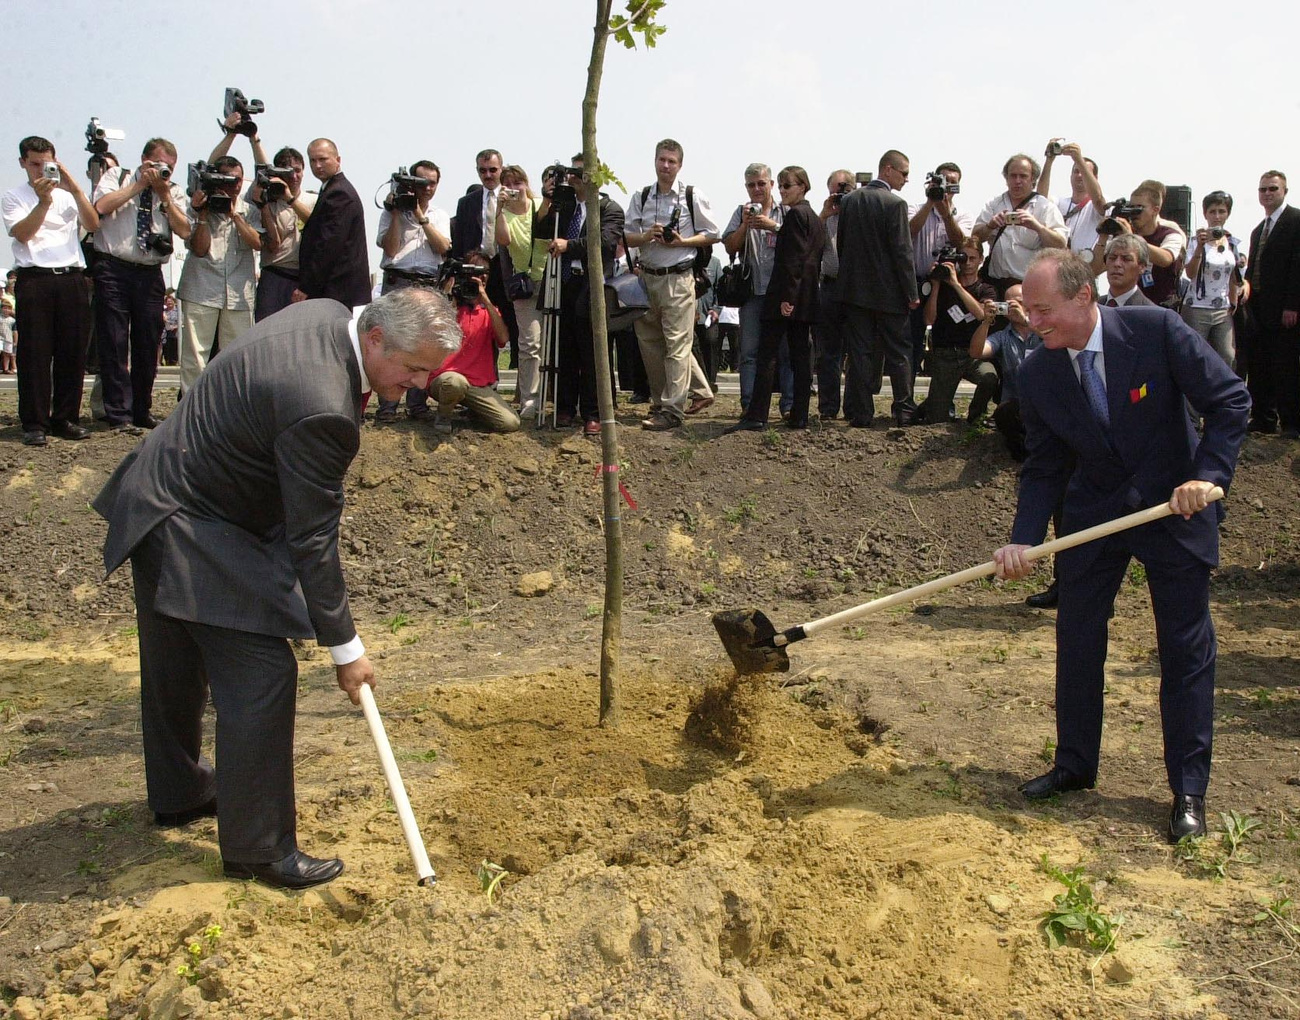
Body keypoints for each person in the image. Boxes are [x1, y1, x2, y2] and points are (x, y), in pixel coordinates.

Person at [93, 288, 462, 890]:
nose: (420, 383)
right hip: (194, 520)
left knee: (177, 659)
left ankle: (181, 791)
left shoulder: (326, 314)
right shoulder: (322, 406)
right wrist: (346, 650)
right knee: (261, 673)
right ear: (374, 338)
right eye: (414, 367)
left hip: (162, 492)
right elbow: (312, 538)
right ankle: (259, 850)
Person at [994, 249, 1249, 843]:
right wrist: (1024, 539)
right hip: (1095, 514)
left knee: (1184, 648)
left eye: (1043, 308)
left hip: (1173, 506)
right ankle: (1075, 765)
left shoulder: (1156, 331)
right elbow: (1045, 464)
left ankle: (1188, 789)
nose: (1033, 321)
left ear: (1085, 297)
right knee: (1077, 636)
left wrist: (1208, 476)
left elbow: (1230, 401)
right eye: (1027, 310)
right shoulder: (1037, 371)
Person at [2, 135, 98, 446]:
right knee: (35, 354)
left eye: (48, 164)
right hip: (35, 279)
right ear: (23, 163)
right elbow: (23, 233)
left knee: (72, 353)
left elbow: (93, 224)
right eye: (34, 164)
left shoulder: (69, 197)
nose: (41, 170)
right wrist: (43, 202)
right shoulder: (13, 197)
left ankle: (65, 417)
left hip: (71, 277)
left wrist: (75, 187)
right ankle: (35, 422)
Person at [92, 137, 191, 433]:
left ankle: (141, 410)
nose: (163, 171)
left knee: (149, 342)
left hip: (149, 273)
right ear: (143, 160)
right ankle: (118, 413)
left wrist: (164, 195)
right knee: (114, 340)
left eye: (169, 168)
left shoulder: (172, 191)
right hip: (113, 267)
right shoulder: (117, 177)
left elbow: (185, 229)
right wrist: (138, 186)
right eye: (157, 164)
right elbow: (101, 206)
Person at [623, 139, 719, 430]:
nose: (666, 166)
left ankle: (672, 411)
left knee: (677, 345)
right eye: (662, 160)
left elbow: (712, 234)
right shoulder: (641, 197)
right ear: (654, 161)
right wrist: (646, 236)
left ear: (680, 165)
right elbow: (626, 236)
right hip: (646, 277)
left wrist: (683, 241)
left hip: (678, 278)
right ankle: (662, 403)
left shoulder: (692, 195)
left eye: (672, 161)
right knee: (651, 344)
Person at [727, 166, 826, 430]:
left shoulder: (794, 216)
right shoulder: (814, 217)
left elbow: (795, 262)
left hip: (785, 296)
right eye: (781, 186)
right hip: (800, 298)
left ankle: (758, 414)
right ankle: (797, 415)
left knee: (770, 355)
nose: (782, 191)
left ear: (803, 186)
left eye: (787, 186)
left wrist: (788, 297)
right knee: (798, 356)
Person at [533, 155, 626, 435]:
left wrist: (569, 245)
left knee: (592, 352)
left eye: (579, 171)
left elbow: (605, 243)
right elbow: (540, 231)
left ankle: (593, 411)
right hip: (563, 283)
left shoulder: (610, 207)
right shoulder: (566, 206)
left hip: (592, 284)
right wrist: (548, 200)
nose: (573, 176)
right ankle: (563, 407)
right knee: (563, 349)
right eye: (571, 172)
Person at [835, 149, 918, 426]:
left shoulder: (849, 202)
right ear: (887, 170)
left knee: (860, 352)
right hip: (890, 293)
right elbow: (902, 253)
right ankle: (903, 409)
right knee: (899, 352)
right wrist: (912, 292)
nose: (907, 179)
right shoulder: (895, 205)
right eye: (904, 173)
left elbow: (843, 245)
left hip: (855, 291)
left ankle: (861, 413)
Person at [372, 160, 451, 423]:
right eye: (421, 182)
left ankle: (417, 406)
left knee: (424, 344)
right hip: (398, 280)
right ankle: (387, 407)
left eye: (432, 183)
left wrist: (420, 216)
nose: (427, 188)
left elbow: (443, 248)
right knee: (393, 345)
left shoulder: (439, 214)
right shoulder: (391, 211)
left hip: (428, 282)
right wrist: (397, 212)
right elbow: (391, 249)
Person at [177, 156, 261, 395]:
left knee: (237, 356)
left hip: (238, 294)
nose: (233, 186)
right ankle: (190, 410)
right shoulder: (197, 207)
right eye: (226, 180)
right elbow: (200, 248)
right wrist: (203, 215)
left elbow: (257, 243)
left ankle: (232, 408)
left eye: (237, 180)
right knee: (195, 356)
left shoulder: (249, 210)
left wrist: (235, 215)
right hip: (201, 288)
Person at [722, 163, 791, 416]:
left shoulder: (785, 211)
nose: (757, 189)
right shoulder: (741, 212)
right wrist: (745, 225)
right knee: (749, 352)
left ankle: (789, 405)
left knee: (786, 352)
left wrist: (771, 225)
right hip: (751, 292)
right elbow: (729, 246)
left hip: (781, 291)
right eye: (751, 185)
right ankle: (749, 405)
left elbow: (799, 240)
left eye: (761, 183)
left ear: (771, 184)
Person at [426, 256, 519, 434]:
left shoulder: (490, 311)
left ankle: (475, 411)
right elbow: (435, 332)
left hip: (476, 384)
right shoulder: (450, 307)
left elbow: (503, 339)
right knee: (455, 382)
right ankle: (443, 415)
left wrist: (484, 298)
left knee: (510, 422)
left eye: (482, 274)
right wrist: (448, 296)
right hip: (446, 379)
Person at [911, 236, 998, 425]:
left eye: (973, 258)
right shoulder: (944, 287)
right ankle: (931, 405)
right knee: (936, 419)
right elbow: (928, 320)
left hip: (972, 355)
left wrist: (956, 285)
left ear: (981, 260)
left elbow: (981, 315)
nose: (967, 263)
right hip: (945, 355)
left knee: (989, 377)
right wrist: (936, 286)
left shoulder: (986, 289)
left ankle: (976, 415)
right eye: (963, 258)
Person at [1242, 170, 1300, 435]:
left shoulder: (1296, 221)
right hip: (1258, 307)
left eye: (1272, 189)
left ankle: (1291, 422)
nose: (1267, 194)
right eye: (1263, 189)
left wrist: (1292, 305)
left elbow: (1297, 268)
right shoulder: (1257, 230)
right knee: (1260, 363)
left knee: (1285, 364)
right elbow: (1253, 268)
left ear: (1284, 191)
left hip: (1285, 308)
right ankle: (1263, 418)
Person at [450, 149, 519, 363]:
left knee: (511, 326)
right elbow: (460, 243)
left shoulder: (514, 198)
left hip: (506, 270)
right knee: (478, 327)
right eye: (483, 170)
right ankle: (485, 376)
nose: (488, 175)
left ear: (502, 169)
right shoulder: (466, 202)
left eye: (492, 170)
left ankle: (521, 388)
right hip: (477, 271)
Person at [907, 161, 973, 378]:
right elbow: (908, 232)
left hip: (947, 286)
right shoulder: (915, 208)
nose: (947, 187)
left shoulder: (962, 215)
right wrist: (930, 202)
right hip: (917, 283)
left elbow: (960, 241)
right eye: (943, 181)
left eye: (952, 183)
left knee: (943, 341)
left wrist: (946, 215)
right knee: (912, 340)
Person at [971, 154, 1067, 294]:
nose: (1017, 181)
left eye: (1023, 176)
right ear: (1006, 178)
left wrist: (1037, 227)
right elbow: (974, 238)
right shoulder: (994, 205)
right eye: (1013, 176)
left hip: (1028, 286)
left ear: (1032, 179)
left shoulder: (1044, 207)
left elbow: (1060, 244)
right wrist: (990, 226)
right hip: (995, 283)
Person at [293, 139, 370, 308]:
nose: (318, 165)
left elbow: (328, 245)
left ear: (338, 160)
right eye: (313, 161)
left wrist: (307, 286)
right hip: (333, 290)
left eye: (323, 159)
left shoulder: (339, 192)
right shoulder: (331, 189)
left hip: (338, 291)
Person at [495, 165, 546, 416]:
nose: (514, 189)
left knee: (554, 342)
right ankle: (530, 399)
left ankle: (555, 395)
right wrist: (498, 210)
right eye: (508, 184)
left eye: (518, 183)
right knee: (529, 343)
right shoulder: (503, 213)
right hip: (524, 286)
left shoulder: (539, 205)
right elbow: (503, 240)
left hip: (550, 280)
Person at [970, 282, 1041, 461]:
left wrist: (1026, 320)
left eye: (1018, 302)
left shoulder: (1043, 330)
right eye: (1008, 304)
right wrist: (986, 321)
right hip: (1015, 406)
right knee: (1006, 413)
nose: (1013, 307)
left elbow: (1058, 341)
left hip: (1044, 402)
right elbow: (976, 352)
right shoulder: (1002, 337)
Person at [251, 147, 315, 321]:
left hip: (303, 280)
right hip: (274, 275)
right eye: (288, 171)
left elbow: (316, 224)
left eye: (298, 170)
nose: (294, 176)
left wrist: (290, 199)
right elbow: (272, 243)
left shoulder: (314, 200)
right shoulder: (268, 202)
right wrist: (264, 206)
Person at [1181, 190, 1240, 368]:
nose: (1217, 216)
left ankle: (1223, 394)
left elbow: (1232, 274)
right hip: (1197, 307)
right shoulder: (1194, 241)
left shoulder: (1231, 242)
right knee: (1195, 357)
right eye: (1212, 211)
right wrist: (1200, 246)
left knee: (1227, 357)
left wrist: (1233, 300)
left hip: (1222, 309)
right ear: (1205, 213)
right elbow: (1190, 273)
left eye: (1221, 211)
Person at [815, 169, 853, 419]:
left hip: (854, 290)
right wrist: (824, 214)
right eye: (835, 189)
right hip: (828, 286)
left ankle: (854, 407)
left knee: (857, 352)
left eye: (844, 188)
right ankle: (828, 408)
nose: (838, 194)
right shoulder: (825, 217)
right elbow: (806, 242)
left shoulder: (860, 214)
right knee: (828, 352)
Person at [1037, 141, 1106, 274]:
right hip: (1058, 270)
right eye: (1076, 171)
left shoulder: (1100, 203)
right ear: (1070, 176)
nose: (1079, 175)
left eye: (1083, 172)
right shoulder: (1059, 202)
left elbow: (1098, 200)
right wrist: (1049, 161)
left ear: (1095, 178)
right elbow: (1041, 199)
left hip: (1085, 270)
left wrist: (1078, 159)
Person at [1100, 234, 1156, 308]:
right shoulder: (1091, 306)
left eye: (1126, 259)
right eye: (1112, 258)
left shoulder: (1151, 314)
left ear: (1142, 267)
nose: (1117, 264)